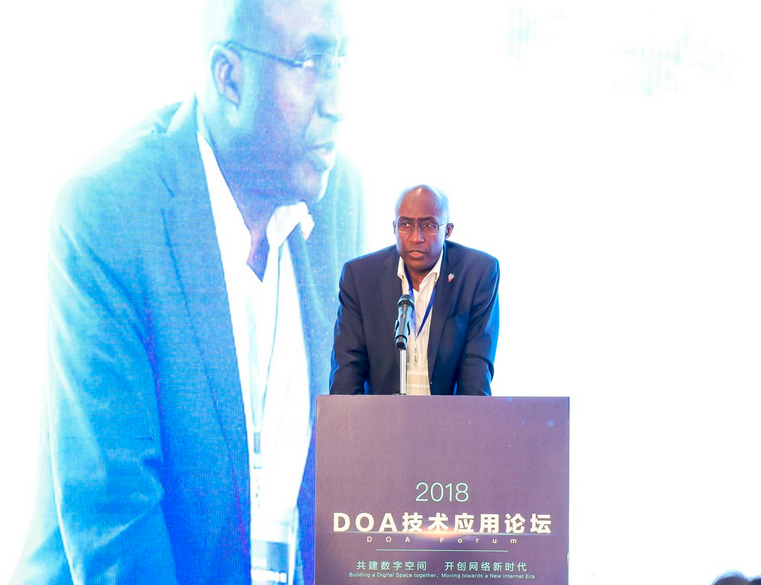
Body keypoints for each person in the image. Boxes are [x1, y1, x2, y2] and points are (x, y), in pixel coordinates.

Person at [11, 0, 364, 583]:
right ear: (229, 77)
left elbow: (347, 477)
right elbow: (118, 530)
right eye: (310, 63)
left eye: (342, 62)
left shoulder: (339, 198)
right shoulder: (111, 214)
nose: (338, 102)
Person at [329, 184, 499, 396]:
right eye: (406, 224)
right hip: (381, 414)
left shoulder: (476, 273)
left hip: (448, 413)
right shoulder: (361, 276)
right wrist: (345, 416)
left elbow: (476, 367)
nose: (416, 237)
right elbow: (347, 366)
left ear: (448, 231)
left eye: (428, 225)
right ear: (394, 228)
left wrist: (470, 417)